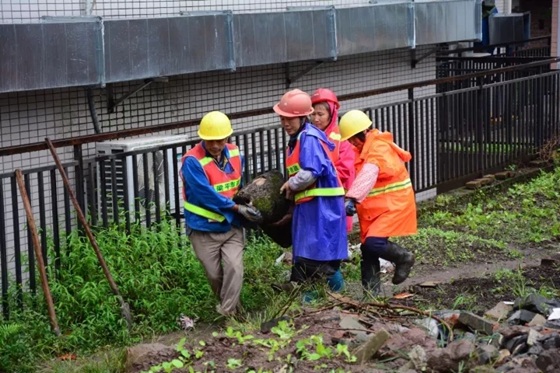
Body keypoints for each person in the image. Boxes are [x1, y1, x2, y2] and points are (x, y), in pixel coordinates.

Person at [181, 111, 262, 316]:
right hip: (203, 227)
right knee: (215, 275)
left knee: (234, 268)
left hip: (232, 225)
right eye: (210, 141)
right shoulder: (192, 161)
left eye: (220, 140)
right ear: (202, 138)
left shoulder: (235, 154)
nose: (215, 145)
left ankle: (228, 315)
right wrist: (236, 208)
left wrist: (248, 202)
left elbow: (239, 186)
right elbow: (205, 195)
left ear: (228, 137)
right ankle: (235, 309)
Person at [271, 89, 348, 296]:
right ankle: (335, 296)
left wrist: (290, 184)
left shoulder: (309, 138)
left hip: (322, 207)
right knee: (314, 257)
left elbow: (311, 172)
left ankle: (317, 300)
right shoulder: (298, 140)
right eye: (283, 118)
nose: (286, 123)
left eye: (290, 119)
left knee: (316, 259)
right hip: (311, 207)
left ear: (302, 117)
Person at [339, 109, 417, 296]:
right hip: (375, 209)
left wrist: (352, 197)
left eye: (353, 139)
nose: (351, 143)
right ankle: (371, 296)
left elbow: (369, 173)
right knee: (368, 249)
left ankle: (404, 258)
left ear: (364, 132)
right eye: (349, 140)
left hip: (392, 205)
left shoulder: (378, 148)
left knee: (373, 243)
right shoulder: (363, 149)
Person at [310, 88, 356, 233]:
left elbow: (344, 169)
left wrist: (317, 178)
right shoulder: (309, 136)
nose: (315, 119)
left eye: (320, 114)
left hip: (336, 199)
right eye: (313, 114)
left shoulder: (341, 137)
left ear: (331, 114)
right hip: (315, 198)